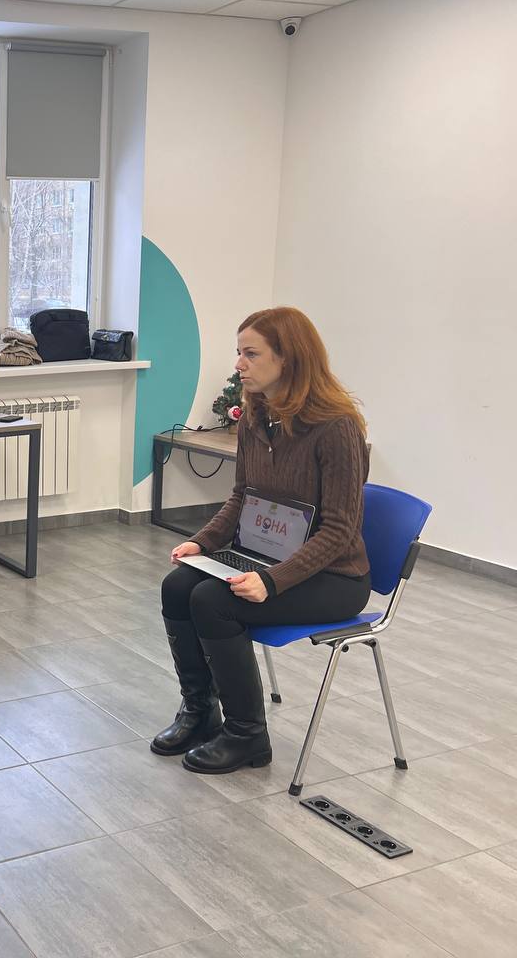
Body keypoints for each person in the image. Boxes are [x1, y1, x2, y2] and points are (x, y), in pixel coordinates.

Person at [152, 306, 371, 774]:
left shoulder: (337, 428)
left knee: (214, 602)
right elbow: (242, 496)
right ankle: (200, 712)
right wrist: (203, 543)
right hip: (269, 556)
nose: (239, 365)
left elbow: (339, 531)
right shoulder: (256, 415)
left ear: (288, 358)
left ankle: (247, 735)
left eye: (251, 354)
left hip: (335, 577)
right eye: (239, 352)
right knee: (178, 585)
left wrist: (272, 581)